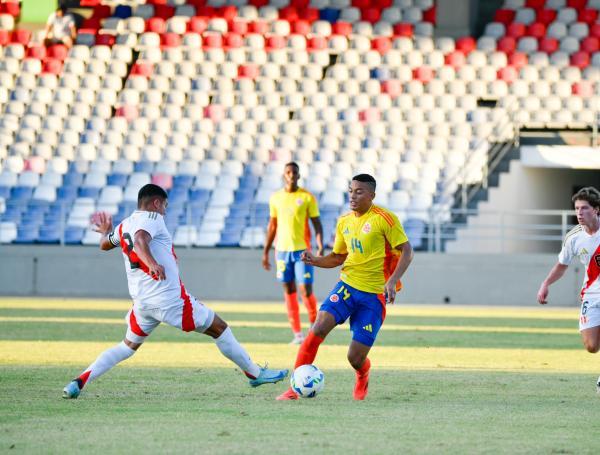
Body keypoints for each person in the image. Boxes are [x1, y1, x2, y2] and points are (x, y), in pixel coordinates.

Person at [63, 184, 288, 399]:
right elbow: (141, 239)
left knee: (127, 346)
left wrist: (105, 232)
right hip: (169, 300)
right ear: (156, 203)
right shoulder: (153, 218)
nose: (165, 211)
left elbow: (105, 244)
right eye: (165, 207)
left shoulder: (124, 225)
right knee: (219, 328)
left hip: (142, 303)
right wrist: (151, 262)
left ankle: (79, 381)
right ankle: (255, 374)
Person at [276, 174, 414, 400]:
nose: (353, 196)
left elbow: (407, 251)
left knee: (355, 358)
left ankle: (363, 374)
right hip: (347, 286)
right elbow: (338, 257)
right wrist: (315, 260)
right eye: (351, 191)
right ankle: (294, 389)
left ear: (372, 195)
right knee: (318, 327)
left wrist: (391, 281)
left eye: (359, 192)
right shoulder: (344, 221)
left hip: (373, 297)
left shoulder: (384, 219)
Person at [537, 186, 600, 391]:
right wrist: (546, 283)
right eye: (577, 209)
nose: (579, 213)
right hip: (591, 294)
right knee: (591, 346)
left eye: (584, 208)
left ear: (596, 209)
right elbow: (561, 265)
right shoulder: (574, 237)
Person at [262, 162, 324, 344]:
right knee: (289, 290)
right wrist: (265, 252)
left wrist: (319, 246)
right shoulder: (275, 198)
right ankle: (297, 334)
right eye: (288, 172)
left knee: (305, 290)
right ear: (284, 175)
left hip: (302, 251)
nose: (291, 175)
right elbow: (272, 226)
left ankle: (315, 326)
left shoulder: (307, 197)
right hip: (281, 251)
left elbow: (317, 224)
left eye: (294, 172)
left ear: (299, 175)